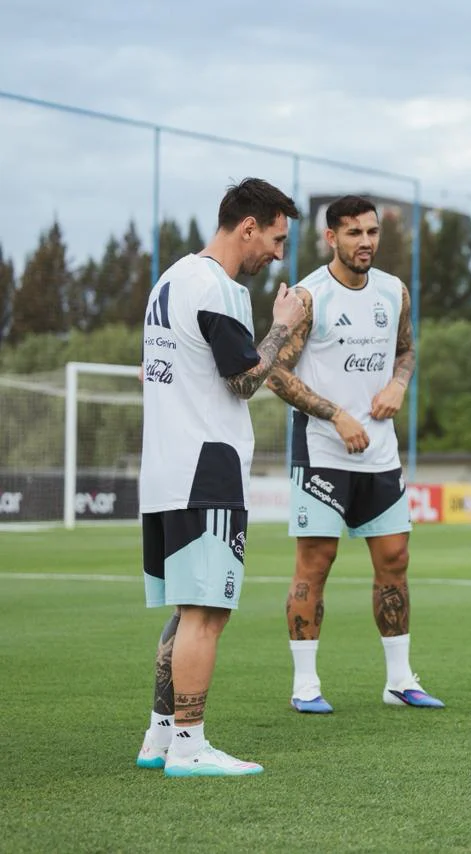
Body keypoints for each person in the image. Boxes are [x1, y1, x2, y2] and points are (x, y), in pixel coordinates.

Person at [135, 178, 306, 777]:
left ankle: (160, 737)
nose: (278, 255)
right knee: (207, 612)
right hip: (205, 469)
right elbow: (243, 380)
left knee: (190, 609)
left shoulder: (170, 279)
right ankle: (189, 746)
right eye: (277, 240)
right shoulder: (218, 288)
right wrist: (282, 325)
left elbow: (150, 371)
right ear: (248, 226)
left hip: (165, 469)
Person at [265, 195, 444, 713]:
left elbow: (406, 349)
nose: (366, 242)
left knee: (395, 561)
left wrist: (399, 385)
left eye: (372, 232)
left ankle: (399, 681)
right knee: (315, 564)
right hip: (322, 452)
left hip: (381, 454)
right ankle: (305, 685)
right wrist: (336, 416)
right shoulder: (309, 297)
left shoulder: (394, 291)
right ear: (331, 238)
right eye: (354, 233)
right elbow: (273, 372)